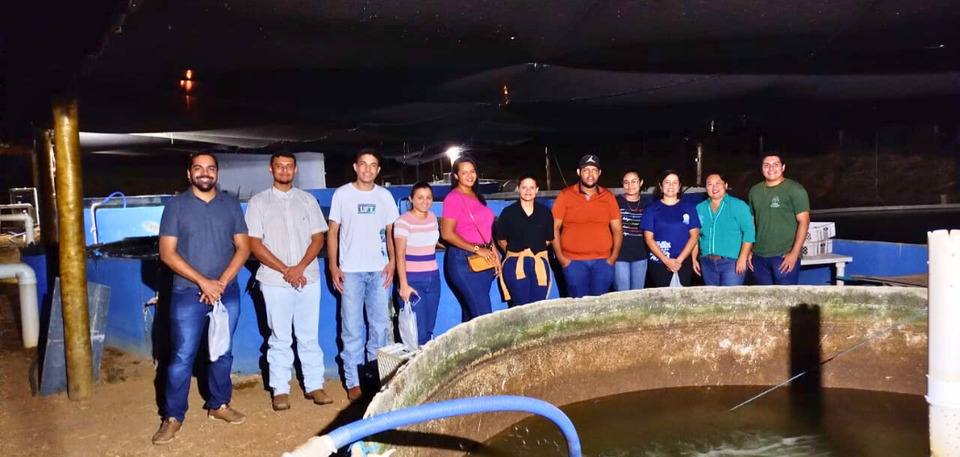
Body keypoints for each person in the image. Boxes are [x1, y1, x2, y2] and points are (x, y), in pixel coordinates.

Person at [153, 152, 250, 445]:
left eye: (210, 168)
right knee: (182, 356)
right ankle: (173, 416)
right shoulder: (176, 206)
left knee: (222, 351)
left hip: (225, 293)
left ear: (217, 173)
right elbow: (167, 253)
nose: (204, 173)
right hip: (187, 293)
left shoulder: (230, 204)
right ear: (189, 173)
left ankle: (218, 405)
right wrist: (203, 282)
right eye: (198, 168)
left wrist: (220, 283)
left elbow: (243, 248)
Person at [245, 152, 331, 411]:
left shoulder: (307, 200)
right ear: (271, 170)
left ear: (295, 170)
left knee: (308, 335)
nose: (284, 170)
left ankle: (314, 385)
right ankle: (280, 389)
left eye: (289, 166)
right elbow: (254, 244)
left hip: (308, 278)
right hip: (274, 280)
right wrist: (286, 269)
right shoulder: (258, 202)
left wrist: (300, 267)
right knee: (279, 336)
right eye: (279, 166)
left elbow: (318, 239)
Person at [327, 148, 399, 402]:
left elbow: (391, 233)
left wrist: (392, 262)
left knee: (380, 328)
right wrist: (334, 266)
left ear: (378, 170)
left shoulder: (385, 196)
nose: (368, 169)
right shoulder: (342, 195)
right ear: (355, 167)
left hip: (379, 270)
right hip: (351, 272)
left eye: (373, 165)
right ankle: (354, 381)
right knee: (352, 328)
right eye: (363, 164)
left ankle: (374, 377)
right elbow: (333, 232)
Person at [552, 154, 623, 298]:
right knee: (578, 306)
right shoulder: (565, 195)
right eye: (586, 170)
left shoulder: (608, 197)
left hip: (603, 262)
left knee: (600, 305)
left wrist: (613, 257)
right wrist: (561, 258)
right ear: (579, 172)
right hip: (573, 262)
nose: (590, 174)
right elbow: (554, 227)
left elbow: (617, 229)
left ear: (600, 173)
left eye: (594, 170)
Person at [441, 155, 500, 320]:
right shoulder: (454, 198)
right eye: (464, 172)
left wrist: (495, 255)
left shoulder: (477, 197)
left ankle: (466, 346)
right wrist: (477, 249)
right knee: (483, 317)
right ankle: (490, 347)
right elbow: (447, 234)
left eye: (472, 171)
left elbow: (486, 231)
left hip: (483, 260)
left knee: (471, 315)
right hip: (463, 261)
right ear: (456, 176)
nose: (469, 175)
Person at [747, 154, 811, 285]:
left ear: (783, 167)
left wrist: (794, 254)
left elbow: (804, 222)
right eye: (766, 165)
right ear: (761, 168)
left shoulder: (795, 190)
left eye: (775, 164)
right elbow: (751, 223)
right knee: (763, 299)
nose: (771, 168)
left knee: (785, 300)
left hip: (783, 255)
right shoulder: (755, 191)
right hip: (759, 256)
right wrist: (749, 250)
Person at [394, 182, 442, 346]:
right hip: (413, 281)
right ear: (411, 199)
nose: (425, 201)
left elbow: (432, 243)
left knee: (429, 329)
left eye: (428, 197)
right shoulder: (403, 221)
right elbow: (399, 255)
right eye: (420, 197)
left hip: (433, 279)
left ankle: (427, 370)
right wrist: (404, 285)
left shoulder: (432, 218)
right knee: (416, 332)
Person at [495, 174, 554, 306]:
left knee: (539, 307)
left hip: (539, 262)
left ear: (537, 190)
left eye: (531, 187)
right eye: (524, 187)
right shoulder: (509, 213)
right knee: (520, 307)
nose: (528, 191)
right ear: (519, 189)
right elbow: (501, 239)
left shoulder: (545, 213)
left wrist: (534, 249)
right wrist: (515, 253)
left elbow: (549, 239)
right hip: (516, 263)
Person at [692, 173, 756, 286]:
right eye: (710, 184)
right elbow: (696, 237)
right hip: (707, 262)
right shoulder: (700, 208)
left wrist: (742, 258)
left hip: (732, 262)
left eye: (718, 183)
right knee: (713, 301)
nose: (714, 187)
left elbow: (749, 232)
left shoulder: (737, 205)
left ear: (726, 185)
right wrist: (694, 259)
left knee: (730, 300)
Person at [641, 170, 701, 287]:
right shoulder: (651, 209)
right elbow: (648, 238)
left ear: (679, 186)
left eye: (675, 183)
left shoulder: (689, 208)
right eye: (667, 182)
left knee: (682, 299)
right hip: (659, 262)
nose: (671, 186)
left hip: (683, 262)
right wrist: (666, 261)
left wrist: (679, 260)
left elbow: (694, 235)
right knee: (662, 299)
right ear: (661, 186)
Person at [615, 170, 648, 291]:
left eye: (634, 182)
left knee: (637, 293)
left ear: (641, 183)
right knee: (622, 292)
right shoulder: (615, 202)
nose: (630, 186)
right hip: (620, 256)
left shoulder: (647, 204)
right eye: (626, 182)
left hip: (640, 255)